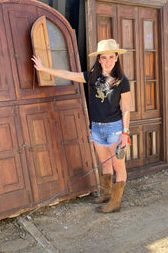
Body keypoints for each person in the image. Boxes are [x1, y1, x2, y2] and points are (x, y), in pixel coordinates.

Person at [32, 39, 131, 213]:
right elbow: (69, 74)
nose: (107, 61)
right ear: (99, 59)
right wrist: (44, 69)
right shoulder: (92, 77)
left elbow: (126, 109)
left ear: (117, 58)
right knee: (104, 163)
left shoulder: (122, 81)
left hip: (115, 128)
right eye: (103, 57)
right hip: (97, 128)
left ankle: (116, 202)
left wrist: (125, 132)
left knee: (118, 166)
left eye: (110, 57)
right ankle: (106, 195)